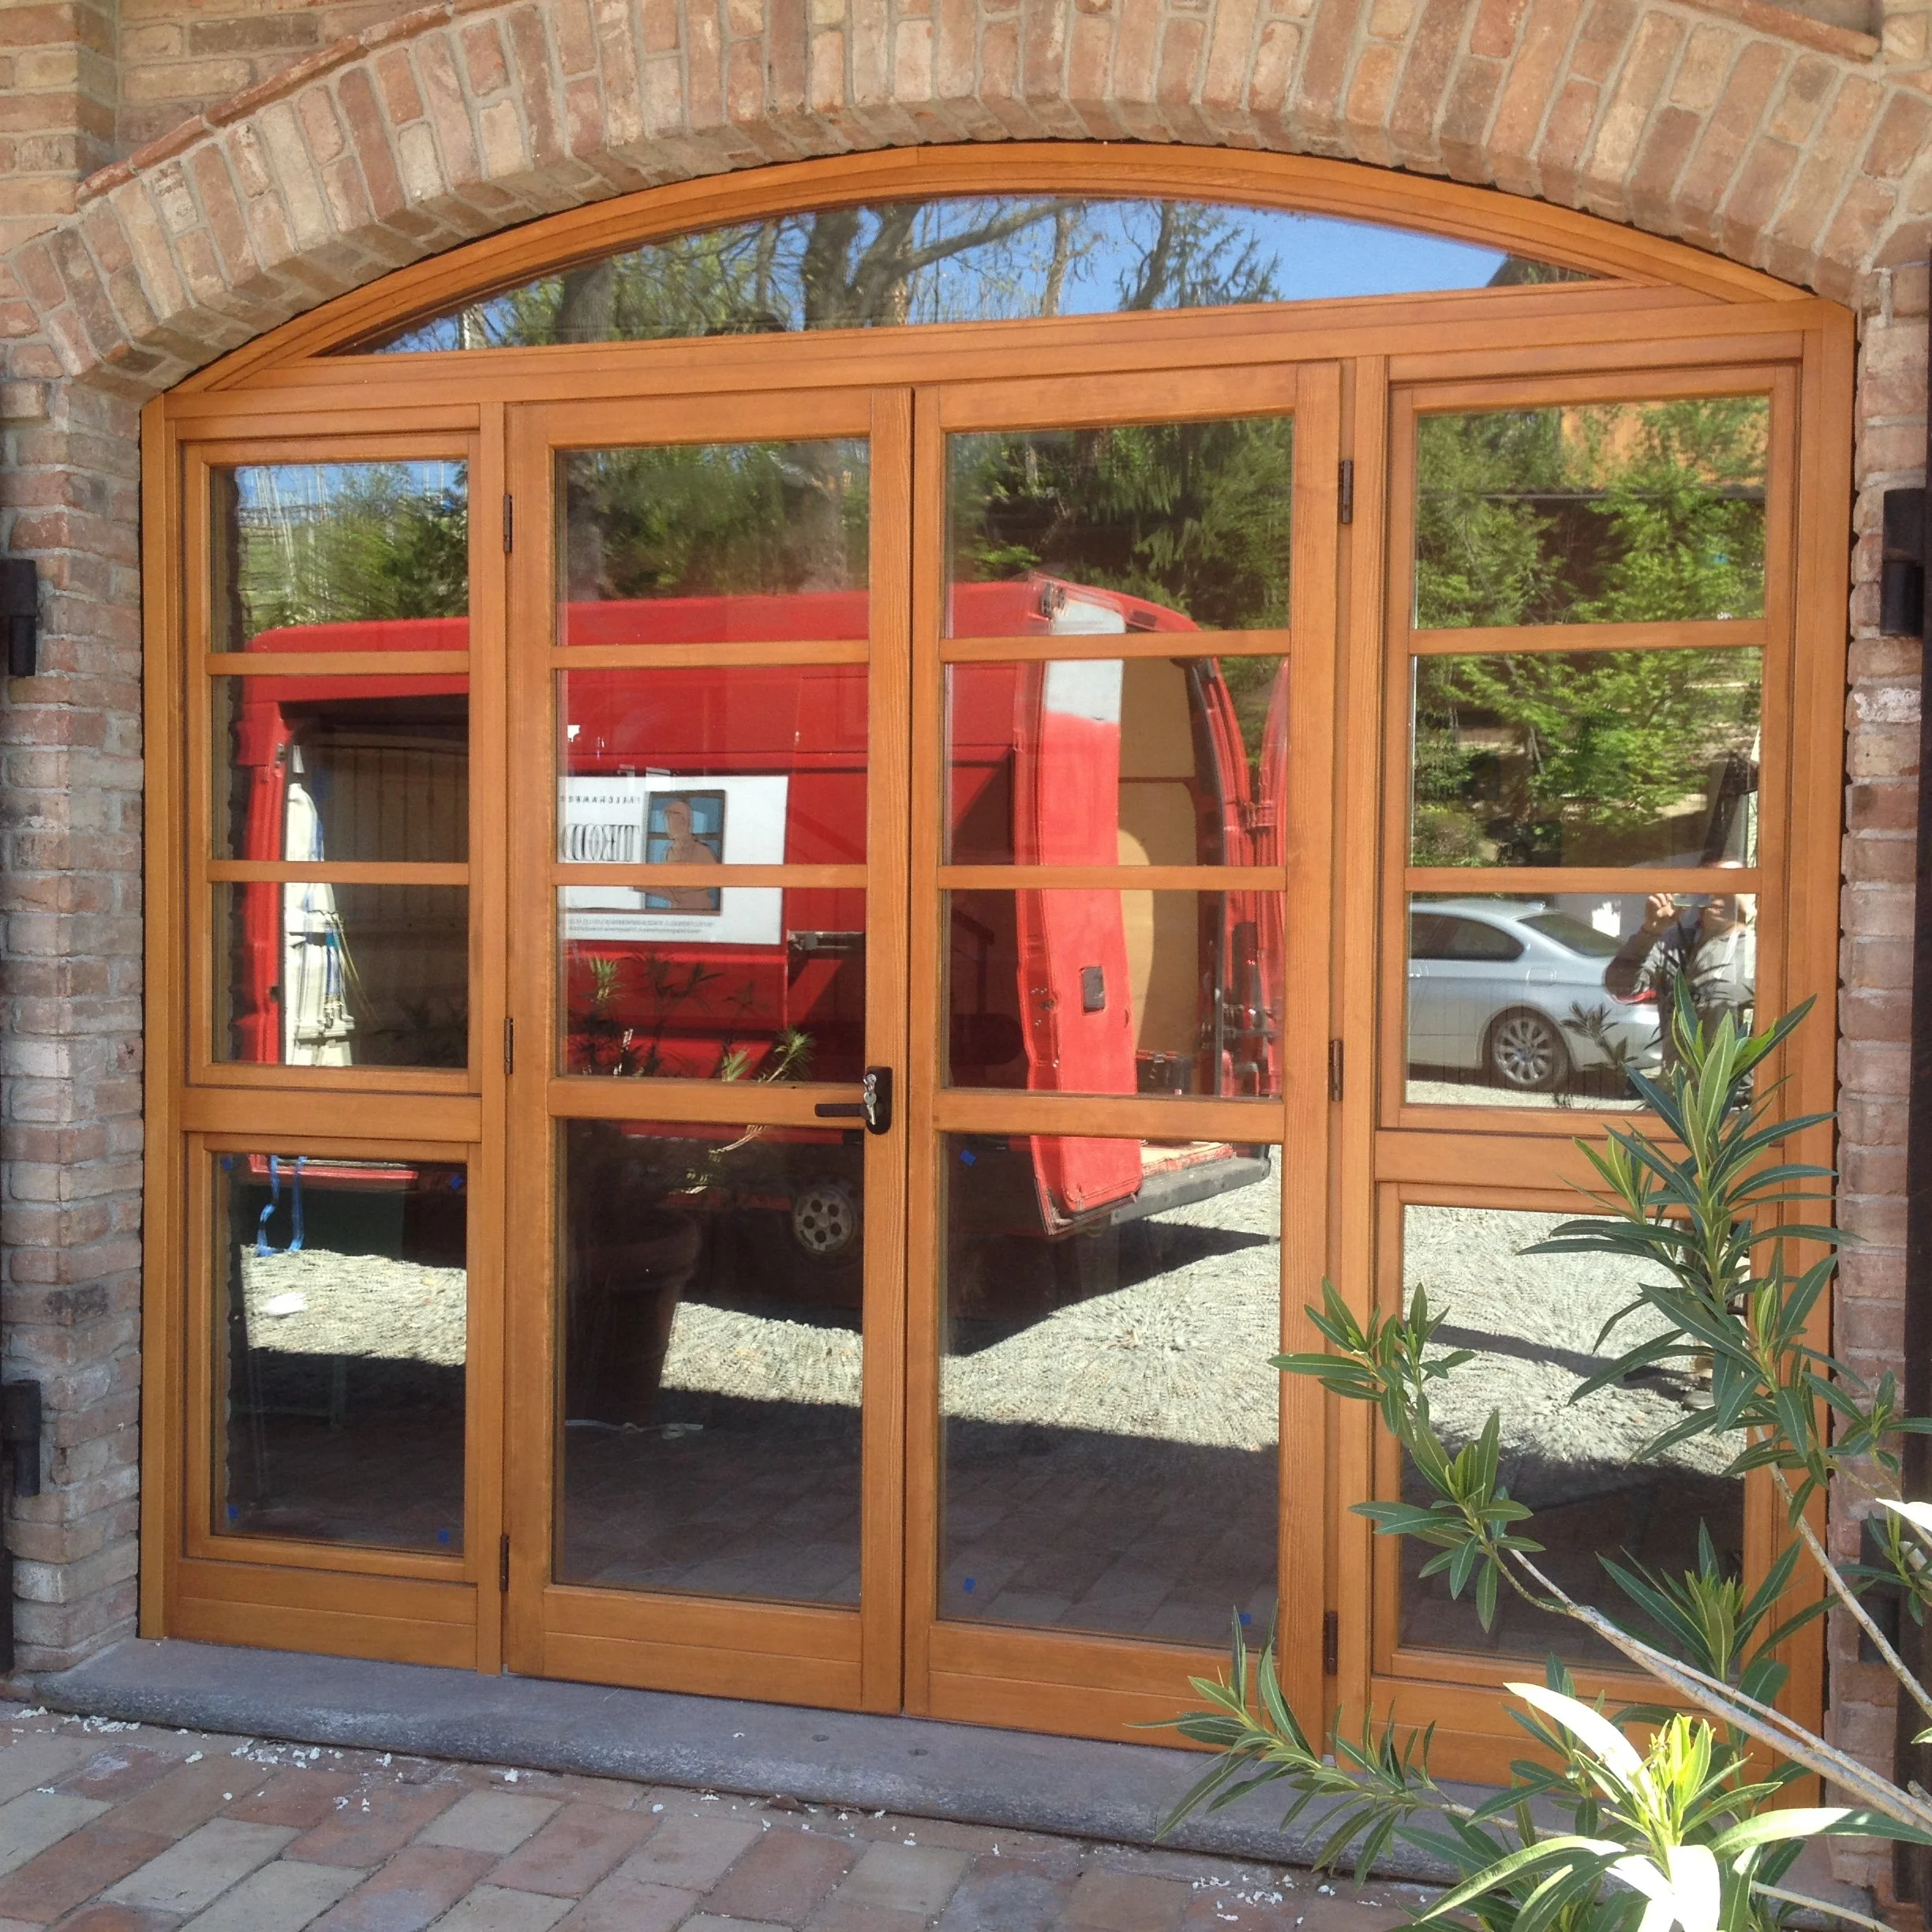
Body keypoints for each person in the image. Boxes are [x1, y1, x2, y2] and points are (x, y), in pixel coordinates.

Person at [1605, 875, 1754, 1073]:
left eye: (1729, 887)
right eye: (1710, 887)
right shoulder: (1674, 942)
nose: (1716, 895)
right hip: (1678, 1091)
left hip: (1739, 1094)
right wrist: (1650, 931)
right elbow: (1621, 986)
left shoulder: (1762, 947)